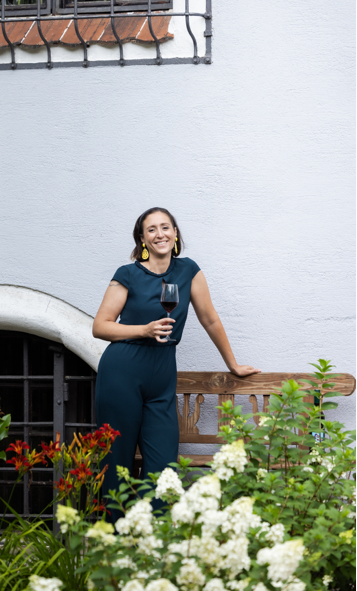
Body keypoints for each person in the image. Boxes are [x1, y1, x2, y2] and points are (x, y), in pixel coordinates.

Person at [92, 206, 258, 511]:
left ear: (175, 233)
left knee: (163, 464)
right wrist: (144, 329)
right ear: (142, 239)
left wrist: (231, 364)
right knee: (117, 459)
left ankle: (156, 537)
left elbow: (209, 319)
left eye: (165, 227)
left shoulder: (188, 271)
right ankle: (115, 542)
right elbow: (99, 326)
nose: (160, 234)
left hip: (162, 371)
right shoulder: (126, 274)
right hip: (122, 371)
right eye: (151, 229)